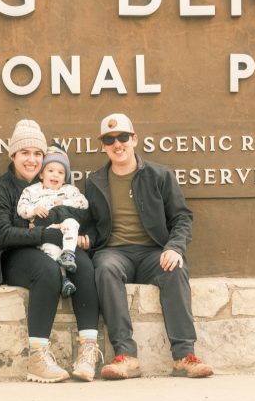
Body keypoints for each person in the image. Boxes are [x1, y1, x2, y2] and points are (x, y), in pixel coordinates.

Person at [84, 112, 214, 379]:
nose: (117, 144)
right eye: (110, 140)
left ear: (134, 139)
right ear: (103, 146)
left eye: (122, 137)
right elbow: (90, 223)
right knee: (104, 268)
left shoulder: (160, 175)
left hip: (153, 252)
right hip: (114, 252)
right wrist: (83, 237)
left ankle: (184, 356)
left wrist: (175, 247)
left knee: (175, 269)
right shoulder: (94, 182)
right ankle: (125, 357)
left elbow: (181, 217)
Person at [0, 119, 102, 383]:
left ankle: (88, 349)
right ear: (13, 154)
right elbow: (0, 234)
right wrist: (44, 234)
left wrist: (86, 238)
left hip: (57, 248)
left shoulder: (57, 188)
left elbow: (87, 219)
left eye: (37, 154)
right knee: (47, 272)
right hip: (14, 255)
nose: (31, 160)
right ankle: (37, 356)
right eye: (25, 153)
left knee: (83, 264)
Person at [16, 145, 89, 298]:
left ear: (65, 177)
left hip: (64, 230)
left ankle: (68, 254)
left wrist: (64, 202)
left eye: (61, 172)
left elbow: (84, 203)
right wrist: (34, 210)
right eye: (50, 171)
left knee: (72, 223)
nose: (55, 175)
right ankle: (63, 279)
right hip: (45, 231)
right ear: (41, 174)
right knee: (51, 251)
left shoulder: (70, 190)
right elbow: (21, 208)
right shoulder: (31, 191)